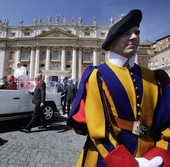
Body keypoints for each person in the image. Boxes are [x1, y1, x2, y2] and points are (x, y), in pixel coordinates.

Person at [67, 9, 170, 167]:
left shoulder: (155, 78)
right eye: (126, 33)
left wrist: (159, 155)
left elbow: (166, 124)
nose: (135, 36)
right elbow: (98, 130)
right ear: (112, 40)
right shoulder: (98, 75)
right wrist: (129, 164)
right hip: (107, 158)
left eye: (136, 32)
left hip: (151, 157)